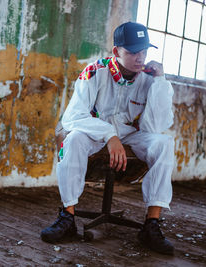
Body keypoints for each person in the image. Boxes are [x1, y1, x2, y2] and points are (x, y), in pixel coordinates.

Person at [40, 21, 175, 255]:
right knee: (73, 140)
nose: (140, 57)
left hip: (133, 136)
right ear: (116, 52)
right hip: (97, 135)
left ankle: (151, 224)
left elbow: (155, 126)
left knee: (164, 143)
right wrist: (109, 135)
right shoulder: (95, 72)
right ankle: (67, 217)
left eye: (144, 51)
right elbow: (73, 117)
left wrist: (160, 82)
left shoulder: (149, 79)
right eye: (133, 52)